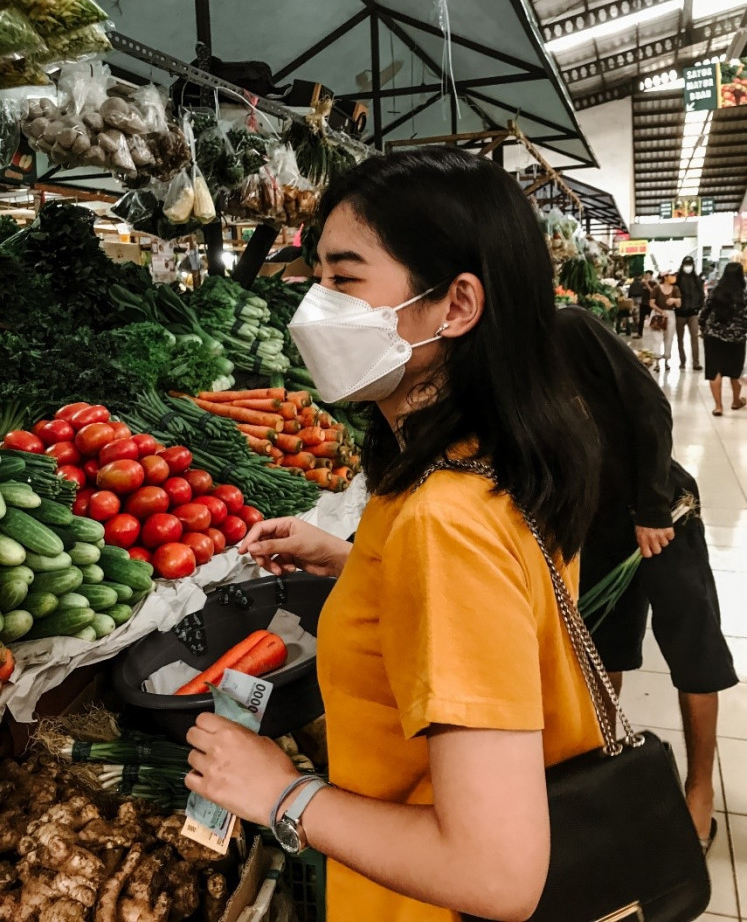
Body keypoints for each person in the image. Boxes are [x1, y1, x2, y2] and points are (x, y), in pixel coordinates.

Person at [183, 148, 603, 922]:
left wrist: (280, 790)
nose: (315, 304)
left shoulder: (443, 522)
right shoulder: (486, 458)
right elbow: (504, 614)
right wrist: (358, 567)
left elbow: (497, 875)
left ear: (455, 305)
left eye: (345, 278)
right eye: (316, 275)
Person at [556, 306, 738, 854]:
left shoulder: (567, 328)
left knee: (693, 651)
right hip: (590, 528)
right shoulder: (490, 363)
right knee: (601, 651)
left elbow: (650, 406)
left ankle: (700, 787)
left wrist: (651, 509)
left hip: (661, 513)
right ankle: (605, 764)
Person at [699, 261, 747, 416]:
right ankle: (735, 401)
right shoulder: (744, 296)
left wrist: (703, 327)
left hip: (713, 336)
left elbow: (704, 313)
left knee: (715, 370)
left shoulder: (715, 293)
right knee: (735, 371)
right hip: (737, 338)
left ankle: (718, 406)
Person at [675, 257, 704, 369]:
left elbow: (701, 294)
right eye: (686, 264)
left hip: (693, 313)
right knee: (680, 339)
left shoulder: (697, 279)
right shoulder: (678, 279)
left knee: (694, 338)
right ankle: (682, 361)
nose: (688, 266)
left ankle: (696, 363)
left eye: (690, 264)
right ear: (682, 265)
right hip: (680, 313)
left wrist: (699, 307)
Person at [650, 270, 682, 371]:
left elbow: (679, 304)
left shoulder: (675, 289)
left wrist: (675, 300)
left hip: (671, 314)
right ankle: (657, 363)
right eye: (671, 275)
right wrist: (660, 311)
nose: (673, 277)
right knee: (657, 339)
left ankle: (667, 360)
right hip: (657, 315)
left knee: (669, 339)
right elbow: (651, 303)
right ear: (665, 277)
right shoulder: (656, 288)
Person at [634, 269, 654, 338]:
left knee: (652, 319)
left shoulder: (653, 283)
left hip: (650, 304)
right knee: (641, 319)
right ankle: (639, 334)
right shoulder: (642, 283)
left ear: (651, 276)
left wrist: (647, 284)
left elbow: (653, 292)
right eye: (645, 275)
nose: (646, 277)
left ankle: (653, 334)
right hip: (643, 303)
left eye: (648, 275)